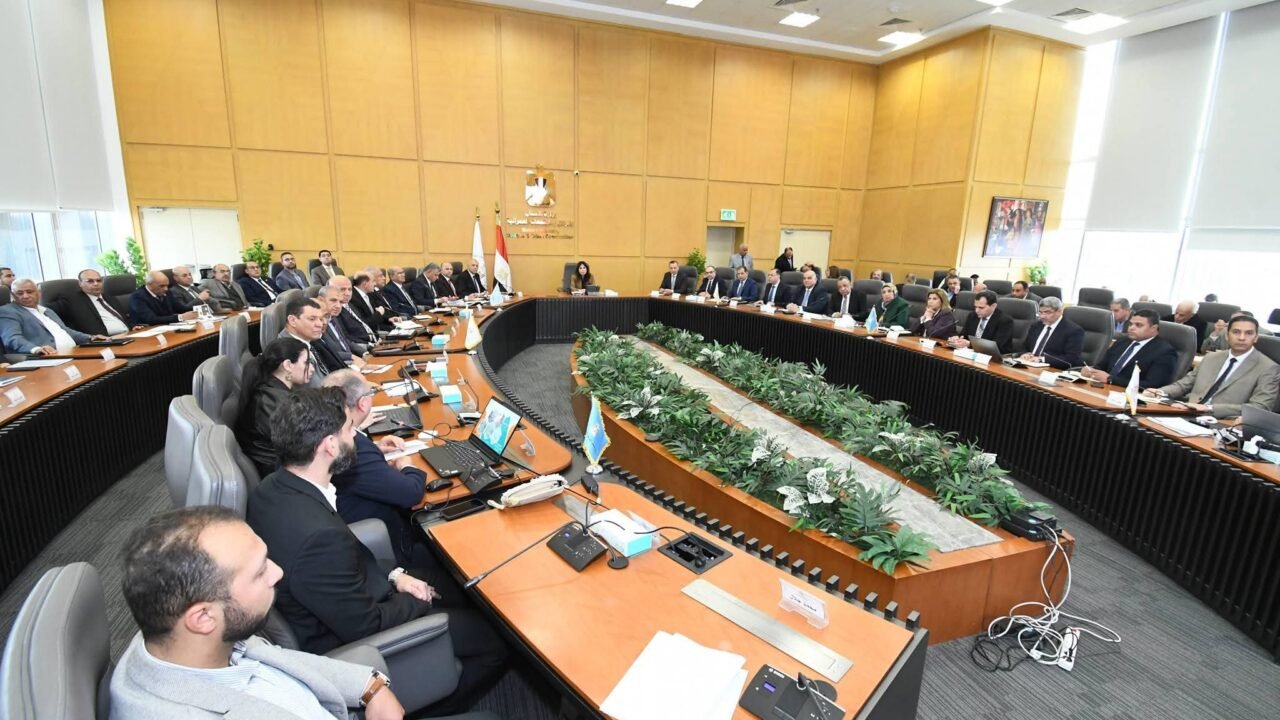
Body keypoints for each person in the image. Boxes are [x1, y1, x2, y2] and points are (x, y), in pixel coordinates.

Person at [246, 388, 508, 712]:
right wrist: (417, 599)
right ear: (329, 446)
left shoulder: (273, 487)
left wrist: (396, 576)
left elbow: (349, 560)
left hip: (357, 591)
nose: (355, 438)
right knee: (495, 642)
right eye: (348, 430)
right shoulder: (319, 538)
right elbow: (365, 624)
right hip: (356, 640)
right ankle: (435, 707)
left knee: (456, 587)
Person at [110, 506, 409, 720]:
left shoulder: (178, 639)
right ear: (203, 618)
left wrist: (369, 688)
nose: (277, 573)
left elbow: (278, 659)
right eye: (259, 572)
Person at [324, 370, 430, 567]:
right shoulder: (355, 450)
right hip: (383, 555)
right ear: (363, 403)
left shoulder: (328, 433)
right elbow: (411, 493)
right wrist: (406, 465)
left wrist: (375, 449)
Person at [1148, 315, 1279, 419]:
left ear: (1255, 338)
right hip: (1187, 412)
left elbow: (1259, 407)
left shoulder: (1268, 367)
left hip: (1222, 421)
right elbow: (1184, 384)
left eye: (1249, 333)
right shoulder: (1211, 358)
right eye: (1236, 332)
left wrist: (1209, 408)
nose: (1242, 337)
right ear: (1227, 336)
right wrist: (1159, 392)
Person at [236, 337, 311, 476]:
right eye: (306, 362)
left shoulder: (274, 390)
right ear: (288, 365)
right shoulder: (272, 401)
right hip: (281, 472)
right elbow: (300, 443)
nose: (311, 368)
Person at [0, 279, 104, 354]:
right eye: (20, 293)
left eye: (29, 292)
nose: (25, 296)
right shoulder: (8, 312)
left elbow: (66, 331)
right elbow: (12, 338)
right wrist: (36, 349)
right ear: (13, 296)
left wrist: (90, 338)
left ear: (38, 293)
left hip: (73, 352)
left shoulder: (46, 310)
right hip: (46, 358)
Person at [1082, 309, 1178, 389]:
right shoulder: (1122, 341)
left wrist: (1111, 379)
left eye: (1138, 325)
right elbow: (1102, 366)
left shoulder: (1164, 352)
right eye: (1130, 324)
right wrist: (1091, 370)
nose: (1131, 328)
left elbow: (1152, 385)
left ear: (1153, 328)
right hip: (1102, 388)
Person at [280, 297, 345, 386]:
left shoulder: (306, 339)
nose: (320, 324)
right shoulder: (289, 352)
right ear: (292, 320)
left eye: (320, 319)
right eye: (312, 319)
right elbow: (317, 389)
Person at [51, 268, 135, 336]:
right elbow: (46, 310)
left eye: (99, 280)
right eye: (90, 281)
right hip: (104, 341)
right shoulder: (71, 300)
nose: (96, 284)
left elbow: (124, 318)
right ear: (80, 283)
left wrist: (132, 327)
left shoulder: (109, 298)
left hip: (129, 334)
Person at [1020, 297, 1084, 369]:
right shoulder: (1036, 325)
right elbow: (1025, 346)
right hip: (1028, 364)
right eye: (1040, 312)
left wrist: (1042, 359)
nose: (1042, 316)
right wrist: (1026, 354)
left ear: (1059, 311)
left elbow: (1071, 358)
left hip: (1052, 369)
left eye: (1047, 312)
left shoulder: (1073, 331)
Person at [950, 290, 1015, 354]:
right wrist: (957, 339)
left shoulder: (1005, 321)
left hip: (994, 357)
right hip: (972, 354)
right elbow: (964, 335)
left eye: (981, 308)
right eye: (975, 307)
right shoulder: (972, 316)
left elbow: (996, 346)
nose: (977, 310)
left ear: (993, 306)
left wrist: (970, 344)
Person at [318, 286, 366, 369]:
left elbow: (344, 341)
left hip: (352, 363)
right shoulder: (318, 324)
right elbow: (326, 351)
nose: (338, 306)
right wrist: (351, 357)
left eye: (341, 302)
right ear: (320, 300)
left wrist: (365, 352)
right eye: (333, 300)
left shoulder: (334, 318)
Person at [131, 271, 201, 326]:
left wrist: (196, 311)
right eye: (161, 286)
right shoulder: (138, 297)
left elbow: (179, 308)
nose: (166, 289)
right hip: (149, 330)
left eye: (167, 285)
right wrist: (180, 317)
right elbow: (151, 319)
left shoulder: (167, 292)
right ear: (149, 284)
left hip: (168, 326)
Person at [331, 275, 378, 351]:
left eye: (350, 289)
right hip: (362, 349)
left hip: (374, 342)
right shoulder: (335, 311)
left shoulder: (350, 305)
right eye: (342, 289)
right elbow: (346, 338)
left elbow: (363, 325)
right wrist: (369, 346)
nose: (347, 293)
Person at [1202, 310, 1272, 352]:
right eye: (1231, 320)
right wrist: (1216, 332)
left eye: (1236, 320)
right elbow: (1204, 350)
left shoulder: (1265, 334)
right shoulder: (1225, 331)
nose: (1230, 323)